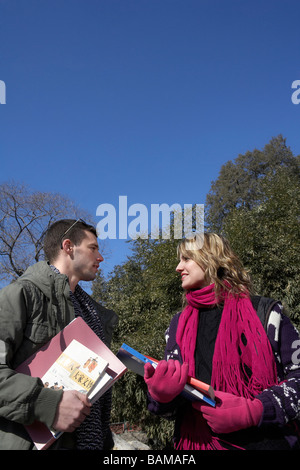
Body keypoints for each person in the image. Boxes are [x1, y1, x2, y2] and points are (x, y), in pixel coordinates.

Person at [144, 233, 300, 450]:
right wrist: (161, 396)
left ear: (211, 258)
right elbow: (171, 411)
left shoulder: (265, 312)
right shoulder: (177, 325)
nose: (178, 268)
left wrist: (255, 411)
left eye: (186, 258)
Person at [0, 219, 118, 450]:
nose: (100, 257)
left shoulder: (95, 315)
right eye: (93, 248)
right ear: (68, 247)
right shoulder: (20, 295)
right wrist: (45, 403)